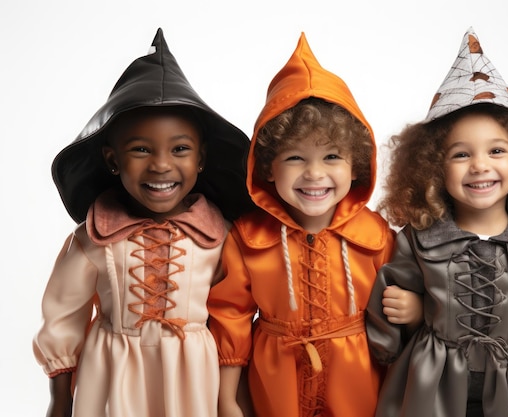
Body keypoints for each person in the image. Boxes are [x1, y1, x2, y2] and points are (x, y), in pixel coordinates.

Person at [366, 27, 508, 417]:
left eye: (496, 150)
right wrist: (406, 320)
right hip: (434, 379)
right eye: (460, 154)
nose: (479, 166)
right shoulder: (421, 238)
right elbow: (390, 288)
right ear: (433, 166)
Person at [33, 28, 253, 417]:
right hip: (112, 372)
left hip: (193, 377)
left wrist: (233, 397)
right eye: (140, 150)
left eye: (180, 149)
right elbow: (63, 314)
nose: (161, 164)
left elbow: (235, 313)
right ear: (112, 160)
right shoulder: (94, 237)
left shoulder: (219, 237)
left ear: (201, 159)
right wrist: (59, 399)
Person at [208, 33, 421, 417]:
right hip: (276, 381)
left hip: (359, 378)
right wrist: (227, 399)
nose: (314, 174)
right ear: (268, 167)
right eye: (294, 158)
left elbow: (409, 299)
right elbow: (230, 319)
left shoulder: (376, 236)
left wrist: (417, 308)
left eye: (332, 156)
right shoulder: (247, 238)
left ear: (356, 164)